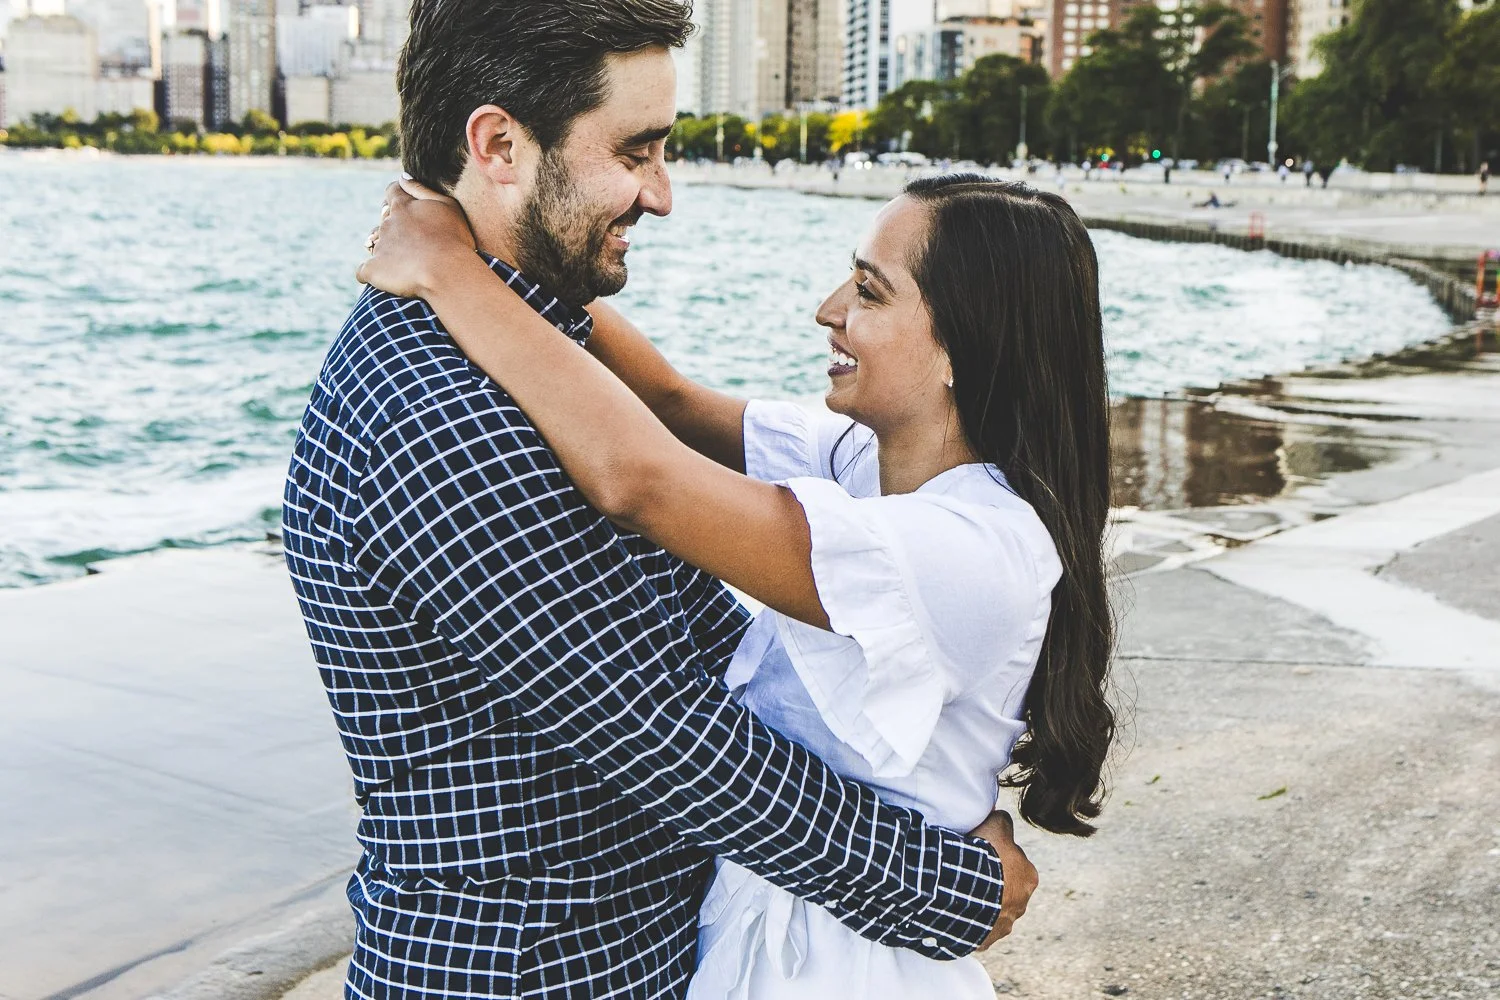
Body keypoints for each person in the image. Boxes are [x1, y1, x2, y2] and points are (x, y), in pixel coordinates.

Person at [284, 3, 1037, 997]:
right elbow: (688, 747)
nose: (662, 194)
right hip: (524, 975)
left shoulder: (517, 359)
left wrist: (930, 771)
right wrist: (949, 885)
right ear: (500, 145)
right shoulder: (447, 416)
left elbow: (705, 644)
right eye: (637, 150)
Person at [357, 169, 1116, 1000]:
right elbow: (669, 401)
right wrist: (513, 248)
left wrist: (448, 271)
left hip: (843, 966)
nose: (828, 308)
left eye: (869, 291)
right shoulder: (863, 458)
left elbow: (640, 482)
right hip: (778, 929)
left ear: (964, 346)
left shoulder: (969, 547)